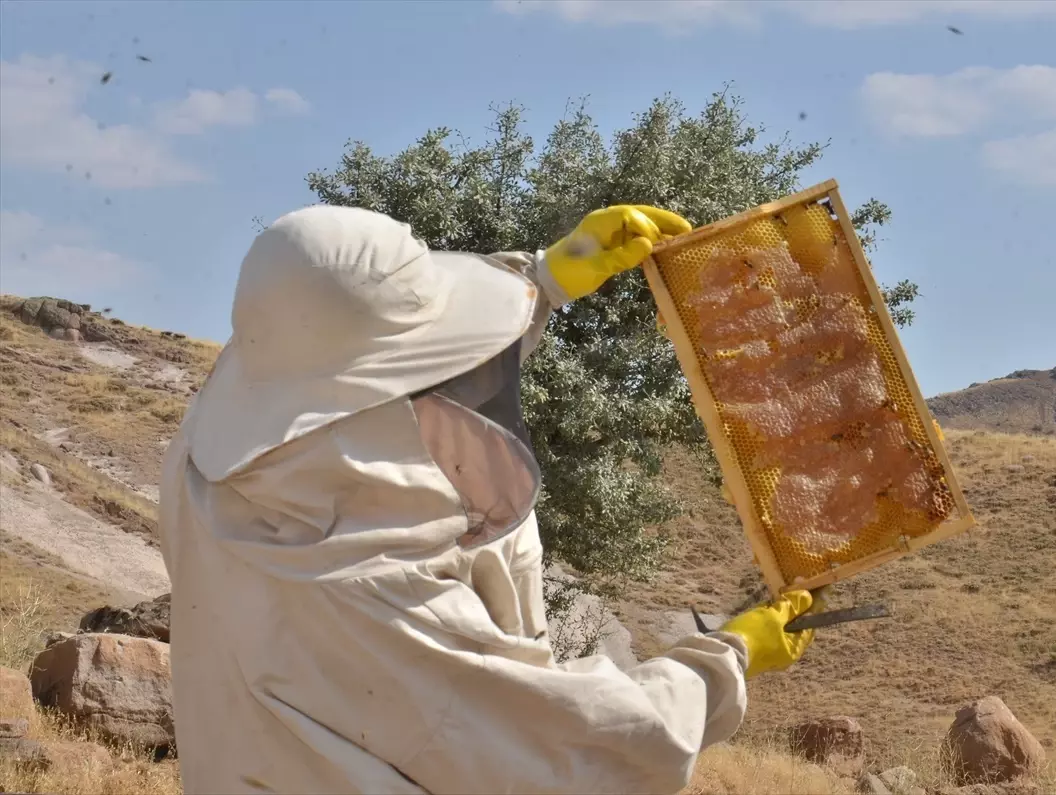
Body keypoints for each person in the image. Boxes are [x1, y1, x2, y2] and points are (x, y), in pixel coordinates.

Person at [158, 202, 823, 795]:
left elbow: (378, 375)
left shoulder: (203, 461)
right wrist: (727, 662)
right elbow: (572, 745)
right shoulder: (376, 585)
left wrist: (544, 283)